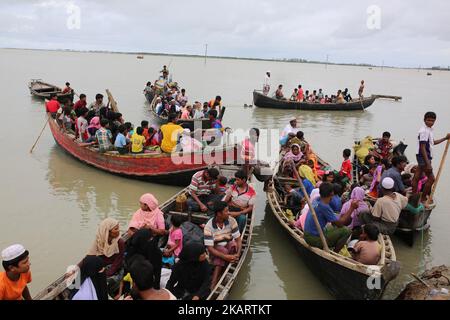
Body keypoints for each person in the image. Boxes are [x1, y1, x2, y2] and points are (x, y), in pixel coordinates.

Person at [303, 182, 354, 253]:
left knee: (333, 226)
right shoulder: (324, 206)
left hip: (308, 234)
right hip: (313, 239)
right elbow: (340, 224)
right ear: (332, 194)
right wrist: (352, 208)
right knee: (347, 231)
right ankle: (335, 253)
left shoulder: (317, 199)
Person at [412, 112, 450, 202]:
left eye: (433, 121)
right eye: (428, 120)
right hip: (423, 156)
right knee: (432, 179)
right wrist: (428, 163)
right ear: (424, 120)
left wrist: (445, 138)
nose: (430, 122)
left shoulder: (429, 130)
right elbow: (422, 147)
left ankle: (414, 195)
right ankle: (422, 198)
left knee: (417, 175)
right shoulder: (424, 131)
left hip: (423, 156)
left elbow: (432, 142)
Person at [204, 201, 242, 290]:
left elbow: (238, 240)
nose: (228, 213)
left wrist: (238, 254)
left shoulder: (231, 220)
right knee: (223, 251)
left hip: (228, 247)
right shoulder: (208, 226)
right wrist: (225, 257)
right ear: (219, 214)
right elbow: (210, 248)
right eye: (226, 211)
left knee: (233, 244)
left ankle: (220, 274)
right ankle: (214, 281)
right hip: (215, 251)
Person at [87, 218, 124, 286]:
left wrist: (106, 274)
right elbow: (90, 256)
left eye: (118, 228)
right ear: (108, 231)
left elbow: (118, 262)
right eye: (116, 229)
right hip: (102, 267)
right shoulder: (99, 240)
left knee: (105, 282)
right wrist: (77, 268)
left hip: (114, 269)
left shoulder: (120, 242)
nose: (119, 230)